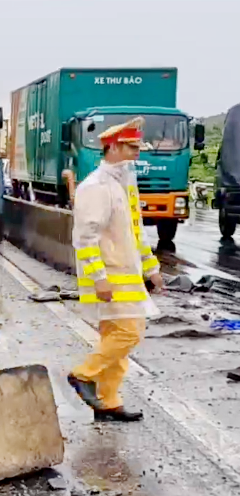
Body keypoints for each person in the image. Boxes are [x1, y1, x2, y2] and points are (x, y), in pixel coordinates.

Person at [68, 117, 164, 422]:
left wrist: (152, 268)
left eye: (138, 147)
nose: (137, 152)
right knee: (129, 333)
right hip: (108, 277)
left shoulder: (124, 182)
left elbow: (137, 231)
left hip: (126, 275)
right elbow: (85, 237)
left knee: (116, 338)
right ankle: (83, 374)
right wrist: (98, 278)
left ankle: (108, 400)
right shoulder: (95, 187)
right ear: (113, 147)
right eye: (131, 147)